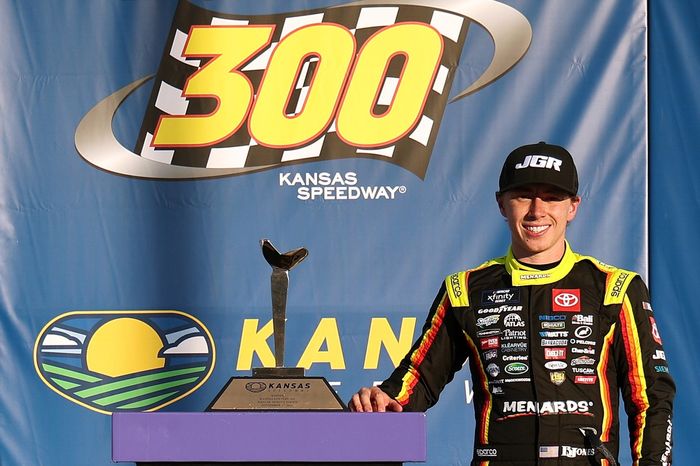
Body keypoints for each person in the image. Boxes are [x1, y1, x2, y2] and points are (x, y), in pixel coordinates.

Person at [348, 142, 675, 465]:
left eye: (552, 197)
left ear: (572, 207)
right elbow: (418, 378)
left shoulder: (615, 288)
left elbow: (651, 399)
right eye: (523, 196)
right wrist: (380, 400)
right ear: (502, 204)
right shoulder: (464, 290)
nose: (537, 210)